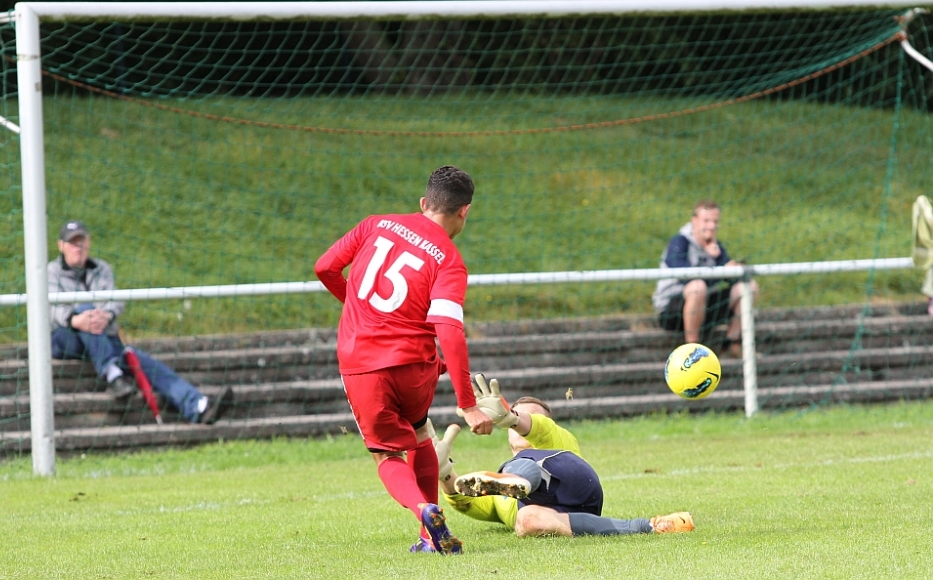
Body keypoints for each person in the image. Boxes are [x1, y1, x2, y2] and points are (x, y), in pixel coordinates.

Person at [314, 166, 494, 555]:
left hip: (363, 361)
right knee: (419, 433)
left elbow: (324, 267)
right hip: (416, 366)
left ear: (423, 203)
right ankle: (430, 538)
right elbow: (449, 330)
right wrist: (466, 404)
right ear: (464, 211)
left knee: (385, 453)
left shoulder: (375, 224)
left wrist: (358, 307)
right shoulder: (449, 260)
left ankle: (424, 509)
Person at [428, 374, 694, 539]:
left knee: (524, 462)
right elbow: (468, 501)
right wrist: (445, 475)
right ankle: (648, 526)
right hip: (570, 513)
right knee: (526, 521)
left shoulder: (559, 440)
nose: (519, 425)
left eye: (528, 418)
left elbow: (540, 428)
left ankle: (520, 480)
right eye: (513, 422)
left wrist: (511, 417)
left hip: (576, 482)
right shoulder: (496, 489)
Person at [48, 220, 232, 425]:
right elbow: (50, 308)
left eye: (81, 241)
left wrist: (106, 316)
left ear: (88, 243)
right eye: (72, 243)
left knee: (149, 365)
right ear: (61, 246)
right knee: (85, 310)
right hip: (66, 339)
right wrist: (75, 319)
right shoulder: (51, 271)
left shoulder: (102, 269)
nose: (78, 247)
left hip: (103, 337)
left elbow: (114, 301)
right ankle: (112, 376)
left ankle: (199, 406)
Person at [652, 199, 758, 358]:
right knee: (697, 286)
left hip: (705, 308)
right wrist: (716, 269)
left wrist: (733, 268)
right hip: (672, 311)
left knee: (749, 287)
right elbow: (679, 270)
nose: (711, 226)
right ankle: (692, 351)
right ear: (694, 221)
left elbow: (730, 279)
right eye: (706, 221)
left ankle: (732, 344)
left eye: (715, 221)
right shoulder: (680, 242)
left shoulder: (716, 247)